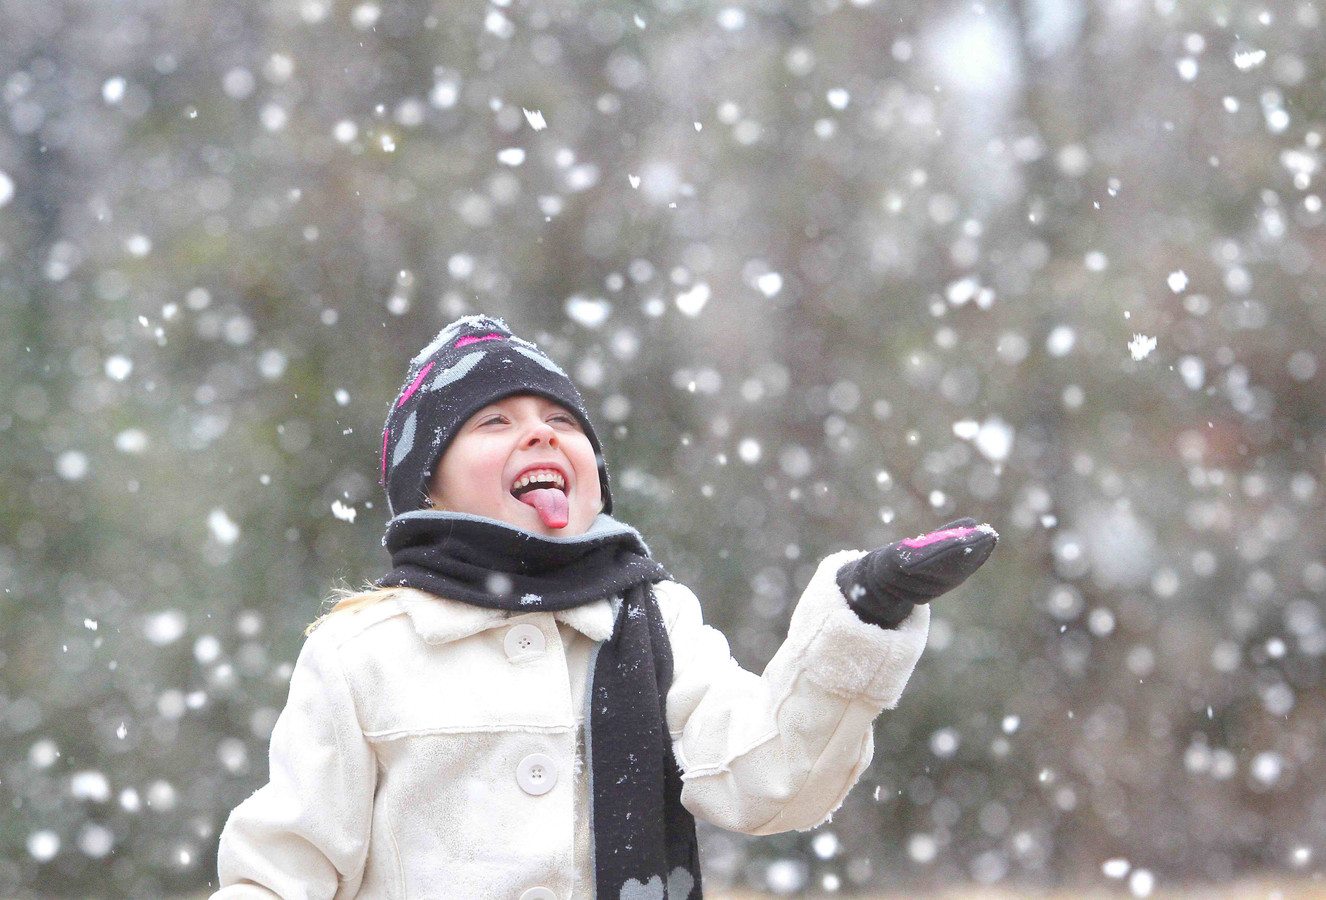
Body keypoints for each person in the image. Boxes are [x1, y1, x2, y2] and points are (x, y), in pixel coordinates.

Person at [211, 315, 997, 900]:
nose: (540, 437)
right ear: (429, 487)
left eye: (561, 422)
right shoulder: (365, 653)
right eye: (495, 422)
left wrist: (860, 619)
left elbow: (767, 777)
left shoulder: (651, 624)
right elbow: (285, 866)